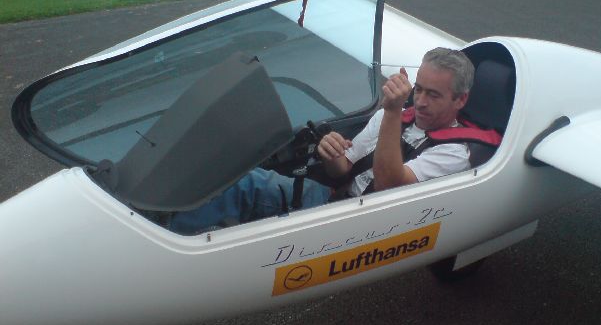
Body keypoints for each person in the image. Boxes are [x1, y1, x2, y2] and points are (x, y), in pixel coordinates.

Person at [170, 47, 474, 234]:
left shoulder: (454, 152)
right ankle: (168, 223)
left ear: (460, 100)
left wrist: (393, 111)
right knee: (244, 180)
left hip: (364, 228)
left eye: (433, 95)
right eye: (418, 89)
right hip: (333, 201)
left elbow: (388, 185)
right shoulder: (391, 116)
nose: (420, 101)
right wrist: (331, 153)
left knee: (249, 192)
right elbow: (342, 170)